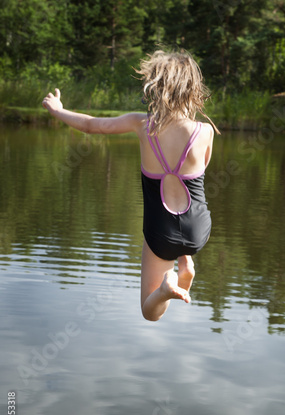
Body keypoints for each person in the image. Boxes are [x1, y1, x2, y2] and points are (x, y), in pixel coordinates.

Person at [42, 49, 220, 321]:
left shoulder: (142, 124)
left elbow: (92, 126)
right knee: (188, 214)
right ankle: (186, 262)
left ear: (156, 87)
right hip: (198, 230)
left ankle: (166, 288)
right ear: (192, 88)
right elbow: (201, 171)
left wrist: (58, 110)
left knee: (150, 311)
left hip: (160, 232)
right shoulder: (204, 132)